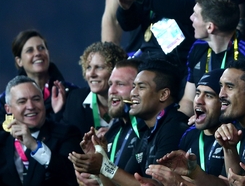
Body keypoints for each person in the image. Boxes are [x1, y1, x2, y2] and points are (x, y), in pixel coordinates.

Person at [72, 56, 189, 186]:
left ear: (163, 95)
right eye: (133, 86)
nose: (133, 93)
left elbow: (155, 185)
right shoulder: (146, 132)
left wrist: (105, 166)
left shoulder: (175, 128)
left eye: (141, 87)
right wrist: (101, 161)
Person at [0, 76, 81, 186]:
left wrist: (35, 146)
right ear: (8, 109)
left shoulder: (67, 133)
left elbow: (72, 175)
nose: (30, 106)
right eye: (22, 101)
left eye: (36, 99)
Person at [179, 0, 245, 117]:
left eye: (195, 15)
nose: (191, 18)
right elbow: (188, 99)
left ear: (210, 27)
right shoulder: (197, 49)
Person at [70, 58, 142, 186]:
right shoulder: (114, 132)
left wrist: (103, 166)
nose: (111, 91)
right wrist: (97, 172)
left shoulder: (147, 129)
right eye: (110, 84)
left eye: (120, 84)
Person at [0, 30, 75, 130]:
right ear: (19, 61)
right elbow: (0, 142)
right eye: (30, 50)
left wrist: (58, 114)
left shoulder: (70, 93)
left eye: (41, 48)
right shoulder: (5, 101)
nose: (37, 53)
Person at [62, 42, 127, 135]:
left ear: (115, 70)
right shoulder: (75, 100)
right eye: (88, 67)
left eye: (99, 67)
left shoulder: (128, 102)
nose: (92, 74)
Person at [176, 69, 226, 177]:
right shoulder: (189, 134)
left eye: (209, 96)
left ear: (223, 103)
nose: (199, 100)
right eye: (197, 93)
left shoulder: (232, 137)